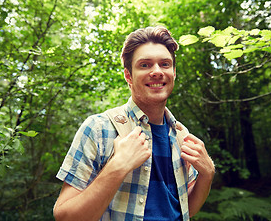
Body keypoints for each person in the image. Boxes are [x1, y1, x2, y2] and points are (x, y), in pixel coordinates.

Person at [53, 26, 215, 221]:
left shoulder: (181, 134)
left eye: (164, 64)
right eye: (145, 65)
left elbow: (184, 208)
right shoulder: (98, 129)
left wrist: (207, 174)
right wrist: (118, 166)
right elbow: (65, 217)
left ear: (173, 72)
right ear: (128, 76)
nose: (157, 71)